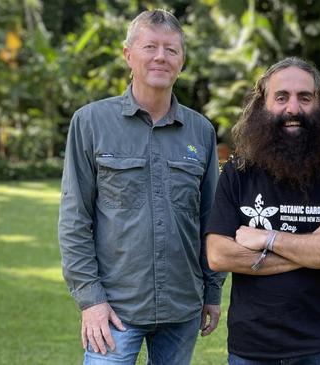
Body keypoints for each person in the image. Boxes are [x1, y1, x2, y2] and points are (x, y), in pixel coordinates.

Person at [58, 9, 225, 364]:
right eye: (150, 46)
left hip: (182, 305)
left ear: (182, 61)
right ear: (128, 55)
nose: (161, 57)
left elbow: (213, 220)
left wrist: (212, 291)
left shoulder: (201, 132)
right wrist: (91, 301)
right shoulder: (90, 123)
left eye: (171, 50)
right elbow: (75, 219)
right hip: (116, 308)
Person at [205, 57, 320, 365]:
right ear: (261, 105)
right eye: (281, 97)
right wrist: (313, 246)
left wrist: (267, 238)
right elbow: (218, 255)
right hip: (251, 349)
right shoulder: (238, 172)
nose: (293, 109)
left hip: (319, 348)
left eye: (304, 97)